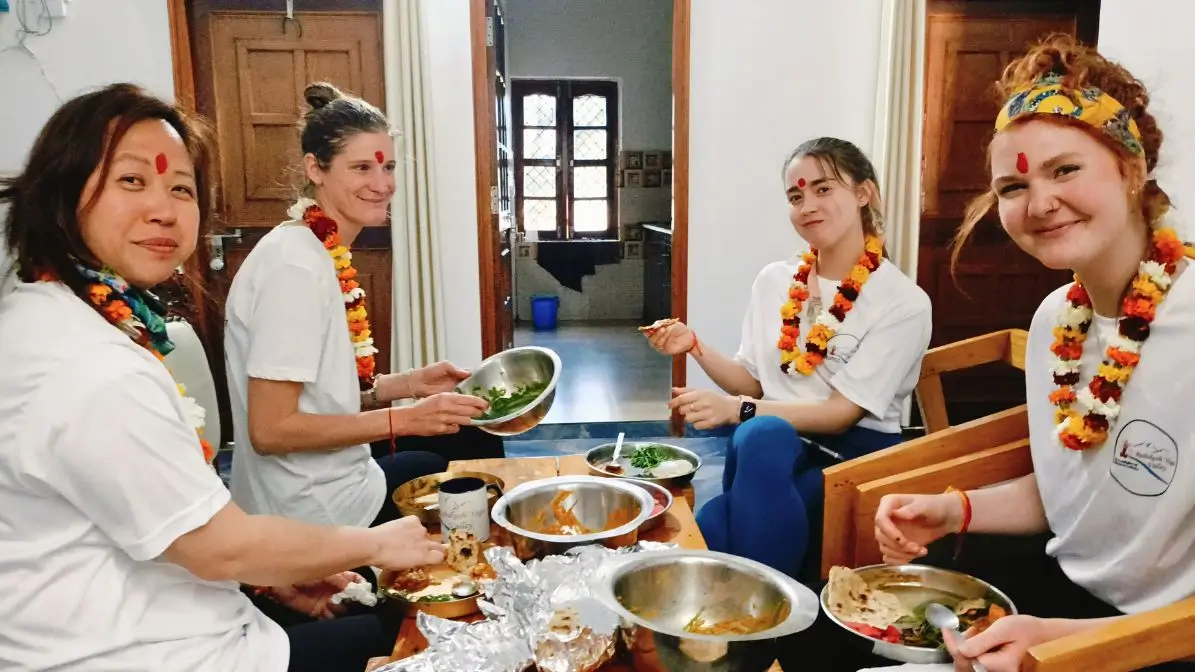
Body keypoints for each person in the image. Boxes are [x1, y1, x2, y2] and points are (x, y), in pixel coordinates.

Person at [783, 35, 1195, 672]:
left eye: (1065, 169)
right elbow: (1077, 493)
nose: (1039, 202)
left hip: (1161, 638)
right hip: (1058, 586)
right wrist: (952, 510)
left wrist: (1059, 643)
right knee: (817, 632)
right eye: (1011, 185)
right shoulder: (1057, 317)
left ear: (1131, 167)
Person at [0, 83, 444, 672]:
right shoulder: (89, 365)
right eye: (131, 181)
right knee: (429, 627)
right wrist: (376, 543)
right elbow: (260, 452)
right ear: (60, 191)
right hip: (161, 652)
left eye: (180, 187)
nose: (163, 209)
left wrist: (264, 581)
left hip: (193, 606)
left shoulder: (57, 319)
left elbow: (159, 519)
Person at [644, 137, 932, 578]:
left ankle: (758, 607)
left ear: (863, 193)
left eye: (823, 189)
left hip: (853, 455)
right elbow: (754, 384)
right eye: (796, 196)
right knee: (761, 439)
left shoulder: (903, 301)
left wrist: (736, 411)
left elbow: (839, 416)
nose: (807, 205)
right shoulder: (774, 281)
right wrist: (695, 346)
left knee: (718, 518)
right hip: (774, 446)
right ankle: (774, 613)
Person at [224, 82, 503, 532]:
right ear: (315, 169)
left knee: (468, 425)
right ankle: (452, 574)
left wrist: (410, 384)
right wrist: (406, 417)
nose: (382, 183)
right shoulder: (293, 269)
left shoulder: (317, 249)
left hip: (333, 472)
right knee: (461, 460)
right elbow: (271, 430)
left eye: (388, 166)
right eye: (361, 168)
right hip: (313, 505)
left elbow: (318, 395)